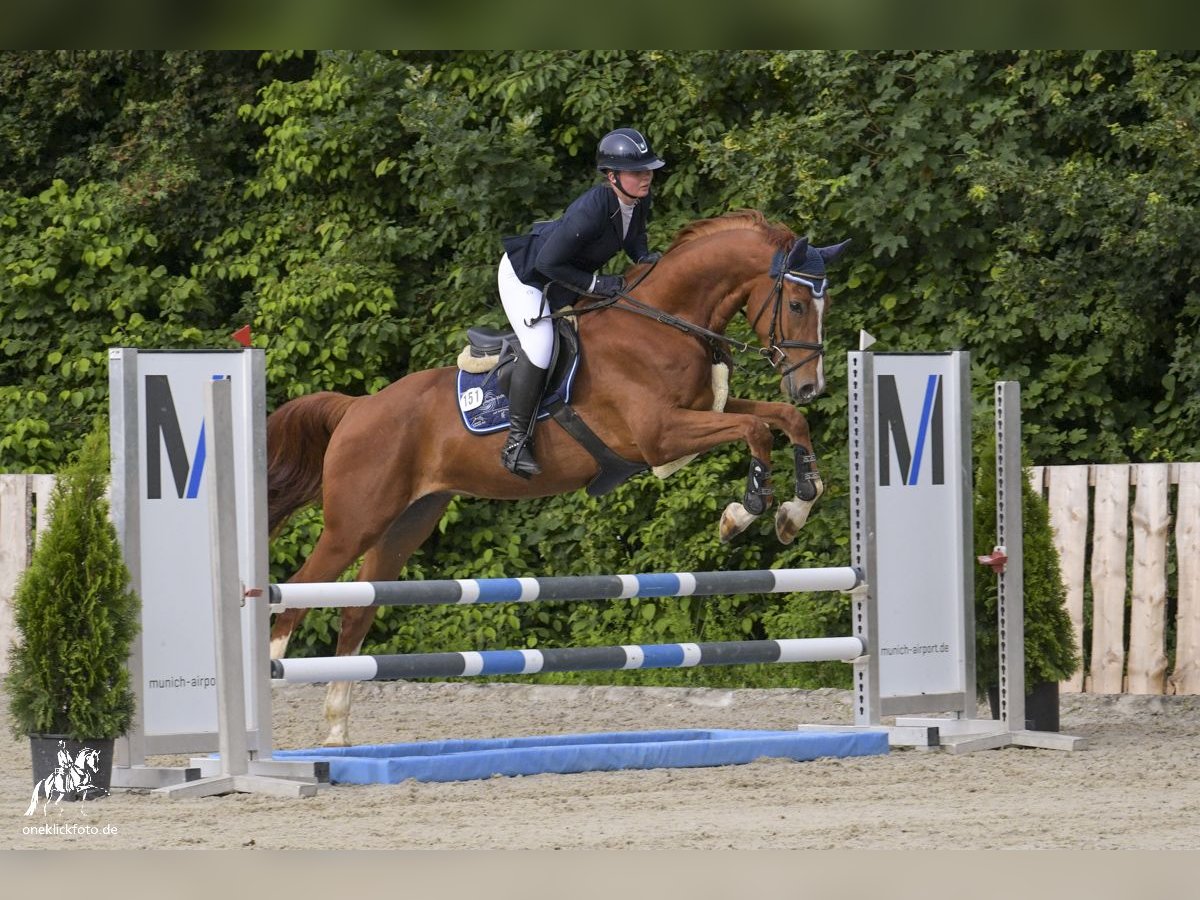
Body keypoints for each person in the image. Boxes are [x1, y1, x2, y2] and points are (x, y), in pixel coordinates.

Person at [496, 127, 665, 477]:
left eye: (647, 169)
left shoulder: (637, 200)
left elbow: (637, 244)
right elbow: (547, 264)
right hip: (527, 275)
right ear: (612, 176)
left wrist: (653, 263)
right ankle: (515, 443)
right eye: (637, 171)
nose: (646, 176)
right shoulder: (592, 208)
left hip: (563, 276)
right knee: (541, 345)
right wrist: (597, 283)